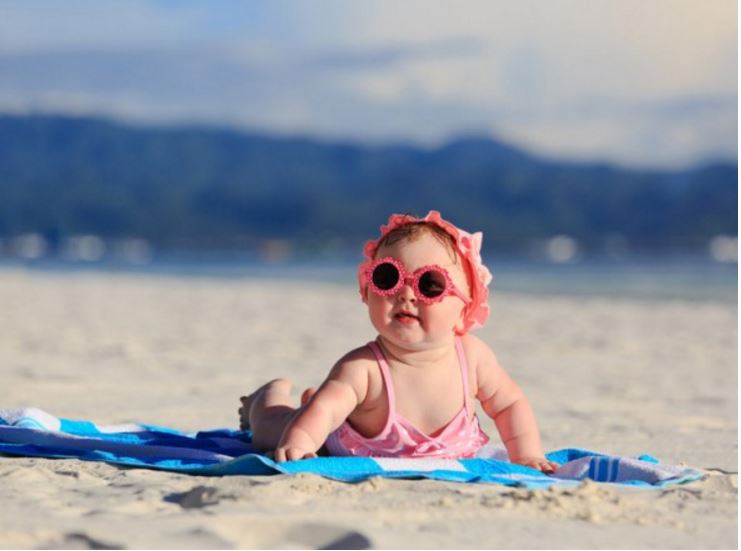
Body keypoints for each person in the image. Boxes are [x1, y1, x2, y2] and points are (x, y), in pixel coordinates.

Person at [238, 211, 558, 472]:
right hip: (337, 435)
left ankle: (303, 402)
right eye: (388, 278)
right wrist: (302, 443)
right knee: (273, 431)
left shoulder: (473, 358)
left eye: (430, 285)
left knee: (318, 406)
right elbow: (327, 409)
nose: (406, 294)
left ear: (465, 310)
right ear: (367, 292)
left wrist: (526, 455)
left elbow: (509, 405)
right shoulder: (364, 367)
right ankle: (264, 400)